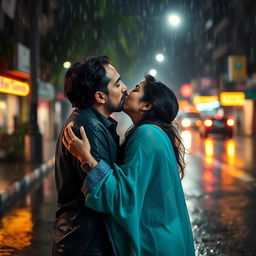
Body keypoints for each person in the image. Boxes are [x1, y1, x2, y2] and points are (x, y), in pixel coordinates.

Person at [63, 75, 195, 256]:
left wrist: (86, 158)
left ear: (146, 106)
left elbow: (124, 197)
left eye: (136, 89)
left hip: (155, 245)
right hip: (164, 238)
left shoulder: (146, 134)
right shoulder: (156, 133)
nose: (126, 90)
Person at [52, 56, 127, 256]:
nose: (125, 88)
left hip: (84, 241)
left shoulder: (94, 122)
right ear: (100, 97)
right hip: (85, 245)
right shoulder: (88, 128)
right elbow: (105, 193)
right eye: (118, 84)